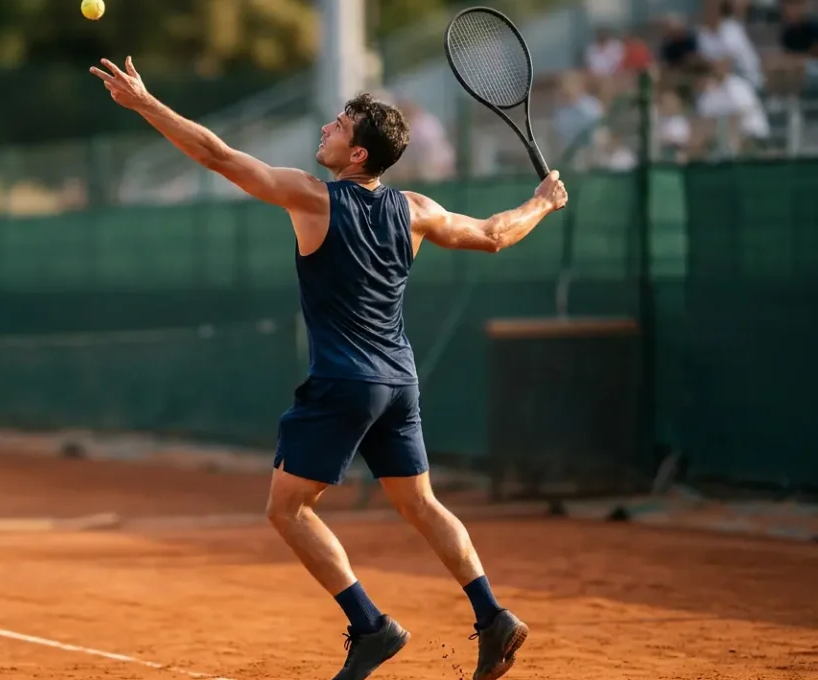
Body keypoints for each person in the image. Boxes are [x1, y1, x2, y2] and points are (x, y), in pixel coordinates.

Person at [91, 57, 568, 680]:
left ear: (359, 157)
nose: (327, 127)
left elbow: (217, 155)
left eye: (340, 125)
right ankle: (493, 615)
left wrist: (146, 104)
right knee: (421, 503)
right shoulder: (416, 209)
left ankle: (371, 627)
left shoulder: (313, 198)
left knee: (287, 509)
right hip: (399, 383)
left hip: (344, 382)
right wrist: (543, 202)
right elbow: (493, 234)